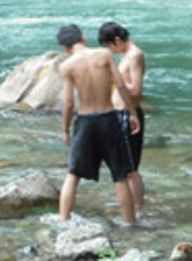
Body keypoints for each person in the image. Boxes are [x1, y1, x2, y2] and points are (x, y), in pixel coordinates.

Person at [57, 24, 140, 224]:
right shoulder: (104, 54)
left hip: (85, 122)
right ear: (83, 38)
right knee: (120, 177)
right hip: (108, 119)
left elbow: (68, 103)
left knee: (72, 174)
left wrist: (66, 130)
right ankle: (131, 224)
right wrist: (132, 113)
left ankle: (63, 221)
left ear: (65, 48)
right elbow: (120, 85)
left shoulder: (66, 66)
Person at [98, 21, 146, 211]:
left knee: (131, 170)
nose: (110, 50)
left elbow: (136, 90)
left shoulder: (135, 55)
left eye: (109, 45)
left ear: (117, 40)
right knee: (122, 168)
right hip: (118, 115)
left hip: (128, 116)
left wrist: (114, 78)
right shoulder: (126, 55)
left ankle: (138, 210)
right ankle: (130, 206)